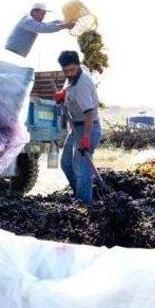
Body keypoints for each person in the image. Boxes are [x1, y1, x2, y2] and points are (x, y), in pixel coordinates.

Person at [54, 50, 101, 203]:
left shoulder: (83, 83)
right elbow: (69, 92)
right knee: (66, 163)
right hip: (76, 127)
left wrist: (86, 139)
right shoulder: (72, 77)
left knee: (81, 167)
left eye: (72, 69)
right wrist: (62, 94)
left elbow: (89, 114)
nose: (69, 73)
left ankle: (85, 204)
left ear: (78, 65)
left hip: (89, 127)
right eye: (65, 70)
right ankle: (80, 196)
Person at [5, 3, 74, 57]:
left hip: (16, 56)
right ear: (34, 12)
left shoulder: (33, 23)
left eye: (44, 14)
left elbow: (47, 25)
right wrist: (65, 25)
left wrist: (64, 21)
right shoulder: (27, 20)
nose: (43, 17)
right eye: (42, 14)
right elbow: (43, 28)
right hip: (10, 54)